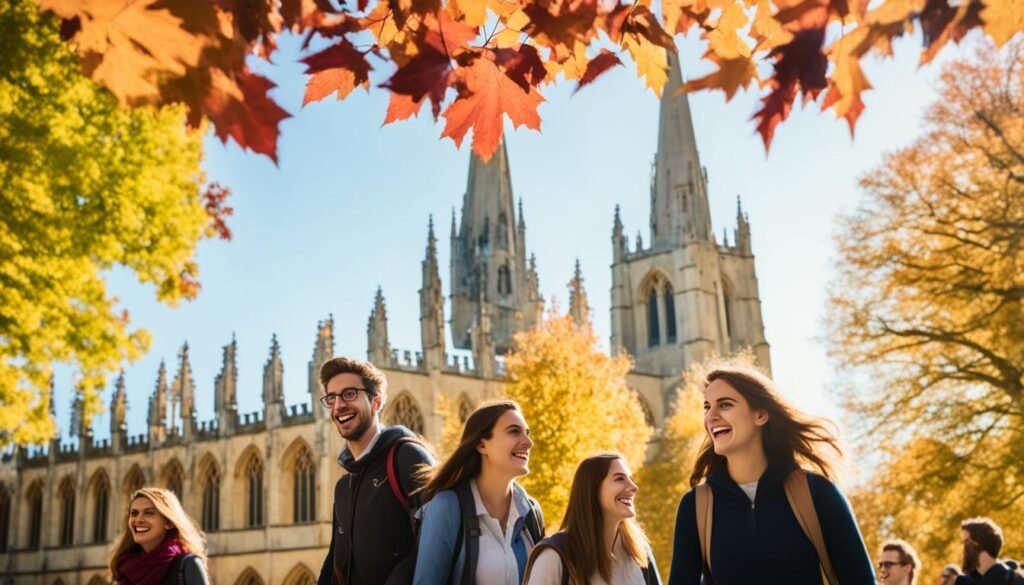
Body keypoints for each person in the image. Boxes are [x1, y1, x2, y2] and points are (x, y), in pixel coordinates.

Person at [667, 366, 875, 585]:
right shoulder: (695, 506)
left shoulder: (818, 493)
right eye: (707, 407)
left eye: (725, 404)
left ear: (760, 414)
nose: (711, 416)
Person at [317, 357, 435, 585]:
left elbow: (440, 538)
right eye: (331, 398)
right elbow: (335, 561)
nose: (339, 405)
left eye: (349, 394)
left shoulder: (407, 457)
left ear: (376, 403)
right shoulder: (343, 487)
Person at [413, 400, 544, 585]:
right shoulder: (446, 508)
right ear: (482, 445)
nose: (528, 442)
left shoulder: (531, 512)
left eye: (527, 433)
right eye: (514, 432)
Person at [523, 452, 661, 585]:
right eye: (620, 479)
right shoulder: (554, 557)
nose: (633, 487)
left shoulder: (639, 552)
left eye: (631, 479)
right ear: (592, 489)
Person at [109, 487, 210, 585]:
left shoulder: (188, 565)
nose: (138, 519)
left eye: (149, 513)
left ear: (169, 522)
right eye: (134, 513)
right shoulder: (124, 570)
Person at [956, 517, 1024, 584]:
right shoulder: (965, 581)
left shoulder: (1014, 580)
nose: (963, 546)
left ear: (980, 543)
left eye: (966, 541)